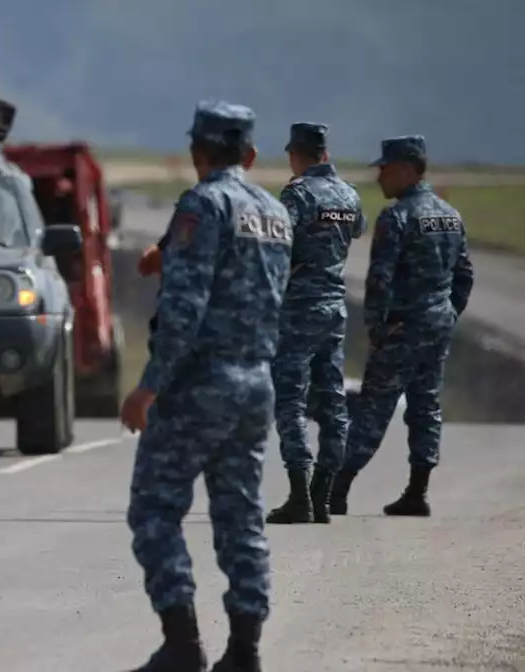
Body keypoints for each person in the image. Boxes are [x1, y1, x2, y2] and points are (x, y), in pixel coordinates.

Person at [121, 101, 291, 672]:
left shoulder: (203, 203)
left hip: (201, 383)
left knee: (154, 510)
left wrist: (148, 387)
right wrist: (169, 258)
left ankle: (183, 646)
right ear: (249, 154)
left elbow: (187, 310)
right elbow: (248, 288)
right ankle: (245, 652)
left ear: (197, 150)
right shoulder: (273, 212)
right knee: (241, 517)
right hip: (255, 383)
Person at [330, 136, 474, 517]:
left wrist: (377, 331)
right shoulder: (450, 215)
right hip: (436, 326)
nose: (380, 177)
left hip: (402, 328)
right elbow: (464, 276)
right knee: (426, 405)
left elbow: (379, 281)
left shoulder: (397, 218)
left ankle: (337, 489)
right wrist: (446, 313)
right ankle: (417, 490)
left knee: (374, 407)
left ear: (408, 169)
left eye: (386, 169)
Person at [265, 123, 367, 526]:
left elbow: (276, 242)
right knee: (332, 402)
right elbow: (356, 229)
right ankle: (322, 495)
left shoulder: (298, 194)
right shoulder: (349, 194)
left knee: (290, 399)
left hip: (299, 308)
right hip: (334, 308)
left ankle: (298, 494)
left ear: (297, 154)